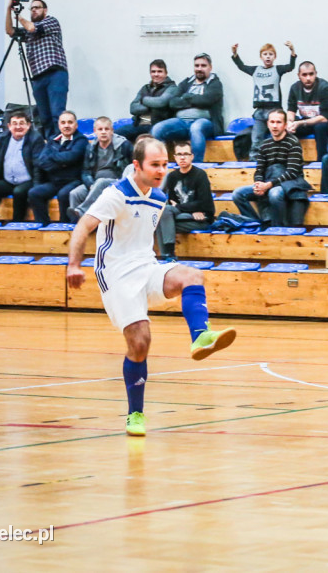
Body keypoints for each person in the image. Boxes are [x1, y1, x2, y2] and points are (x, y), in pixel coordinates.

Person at [66, 137, 237, 437]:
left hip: (145, 266)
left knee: (192, 276)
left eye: (164, 164)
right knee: (141, 343)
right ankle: (135, 414)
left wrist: (161, 265)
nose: (161, 170)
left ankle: (200, 337)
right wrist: (73, 265)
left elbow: (145, 235)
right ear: (137, 165)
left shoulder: (159, 197)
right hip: (116, 274)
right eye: (154, 165)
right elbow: (83, 227)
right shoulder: (115, 194)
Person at [232, 109, 310, 228]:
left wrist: (268, 185)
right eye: (272, 122)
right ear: (267, 124)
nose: (274, 126)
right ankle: (255, 223)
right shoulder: (265, 145)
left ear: (284, 125)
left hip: (290, 184)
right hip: (268, 181)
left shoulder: (293, 142)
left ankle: (277, 227)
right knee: (237, 194)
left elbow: (292, 172)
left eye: (278, 122)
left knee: (274, 193)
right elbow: (259, 169)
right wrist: (258, 183)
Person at [6, 0, 68, 136]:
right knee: (44, 117)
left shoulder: (51, 21)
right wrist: (9, 10)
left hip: (55, 73)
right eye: (32, 8)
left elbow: (32, 28)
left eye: (37, 8)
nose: (34, 10)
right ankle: (50, 147)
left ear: (45, 10)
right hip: (38, 77)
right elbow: (10, 31)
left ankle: (61, 147)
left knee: (57, 114)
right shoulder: (28, 31)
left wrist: (18, 17)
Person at [232, 41, 297, 160]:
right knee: (256, 138)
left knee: (278, 134)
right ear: (261, 57)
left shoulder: (277, 69)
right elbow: (242, 66)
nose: (268, 56)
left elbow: (290, 67)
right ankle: (254, 161)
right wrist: (235, 54)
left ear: (275, 57)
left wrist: (292, 52)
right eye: (265, 54)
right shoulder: (255, 70)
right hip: (260, 110)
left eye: (271, 54)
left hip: (274, 109)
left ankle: (282, 156)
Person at [154, 53, 224, 162]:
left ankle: (196, 167)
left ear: (210, 67)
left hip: (205, 122)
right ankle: (160, 164)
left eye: (203, 65)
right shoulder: (186, 83)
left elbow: (206, 100)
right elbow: (172, 102)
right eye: (197, 65)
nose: (199, 68)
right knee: (158, 129)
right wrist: (195, 100)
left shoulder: (215, 83)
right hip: (181, 122)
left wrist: (186, 97)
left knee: (196, 128)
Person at [154, 141, 215, 262]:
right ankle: (168, 255)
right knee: (164, 213)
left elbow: (204, 203)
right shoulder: (172, 176)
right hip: (183, 215)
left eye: (186, 154)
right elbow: (172, 203)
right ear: (175, 157)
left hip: (200, 218)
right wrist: (189, 208)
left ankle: (167, 254)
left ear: (192, 156)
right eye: (179, 154)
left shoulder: (200, 175)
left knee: (163, 221)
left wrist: (182, 207)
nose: (182, 157)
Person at [28, 111, 87, 225]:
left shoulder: (81, 141)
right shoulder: (52, 139)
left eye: (70, 122)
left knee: (64, 194)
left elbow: (70, 157)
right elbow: (42, 161)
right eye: (63, 122)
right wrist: (62, 162)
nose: (66, 125)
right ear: (59, 125)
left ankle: (63, 227)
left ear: (76, 125)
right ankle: (43, 225)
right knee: (34, 193)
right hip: (54, 181)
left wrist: (52, 157)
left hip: (73, 181)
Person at [68, 117, 133, 221]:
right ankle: (78, 226)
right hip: (95, 184)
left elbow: (132, 167)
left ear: (112, 131)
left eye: (106, 129)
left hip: (117, 183)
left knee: (101, 182)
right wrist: (90, 185)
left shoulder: (124, 145)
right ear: (95, 131)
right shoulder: (90, 147)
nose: (103, 132)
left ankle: (81, 212)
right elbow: (85, 172)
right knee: (75, 193)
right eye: (100, 129)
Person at [0, 110, 44, 222]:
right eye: (14, 124)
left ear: (28, 125)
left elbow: (38, 166)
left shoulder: (36, 139)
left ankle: (17, 223)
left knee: (19, 191)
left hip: (28, 181)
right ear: (9, 126)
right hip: (8, 181)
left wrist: (37, 188)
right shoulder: (2, 138)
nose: (18, 127)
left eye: (21, 123)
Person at [286, 61, 328, 162]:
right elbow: (291, 110)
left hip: (327, 122)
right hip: (308, 121)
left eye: (311, 74)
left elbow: (324, 118)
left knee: (320, 127)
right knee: (286, 126)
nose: (308, 78)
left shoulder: (325, 88)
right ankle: (294, 161)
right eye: (304, 75)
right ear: (299, 76)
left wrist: (300, 123)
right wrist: (290, 123)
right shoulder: (295, 88)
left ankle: (321, 162)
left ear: (316, 74)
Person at [121, 60, 178, 143]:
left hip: (158, 124)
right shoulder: (145, 88)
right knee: (116, 135)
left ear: (166, 73)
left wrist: (143, 100)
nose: (156, 74)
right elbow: (132, 108)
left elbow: (161, 102)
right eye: (153, 71)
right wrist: (150, 107)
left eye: (160, 71)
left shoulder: (172, 88)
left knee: (151, 142)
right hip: (140, 123)